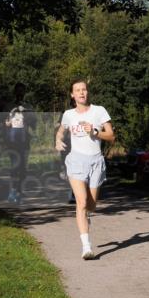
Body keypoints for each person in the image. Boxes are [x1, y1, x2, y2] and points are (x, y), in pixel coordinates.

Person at [55, 79, 115, 259]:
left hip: (96, 161)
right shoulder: (68, 114)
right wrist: (58, 140)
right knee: (80, 203)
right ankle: (86, 247)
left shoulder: (99, 111)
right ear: (72, 95)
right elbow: (61, 131)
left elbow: (111, 136)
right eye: (77, 90)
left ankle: (87, 215)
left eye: (84, 89)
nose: (82, 93)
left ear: (88, 92)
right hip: (76, 161)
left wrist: (95, 132)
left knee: (91, 205)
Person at [4, 83, 37, 203]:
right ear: (15, 92)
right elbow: (4, 122)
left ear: (24, 92)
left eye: (22, 91)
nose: (20, 93)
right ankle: (12, 191)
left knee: (23, 167)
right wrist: (8, 121)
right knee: (15, 165)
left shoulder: (28, 106)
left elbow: (34, 124)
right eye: (18, 91)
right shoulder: (9, 106)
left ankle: (19, 190)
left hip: (24, 140)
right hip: (12, 140)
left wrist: (28, 115)